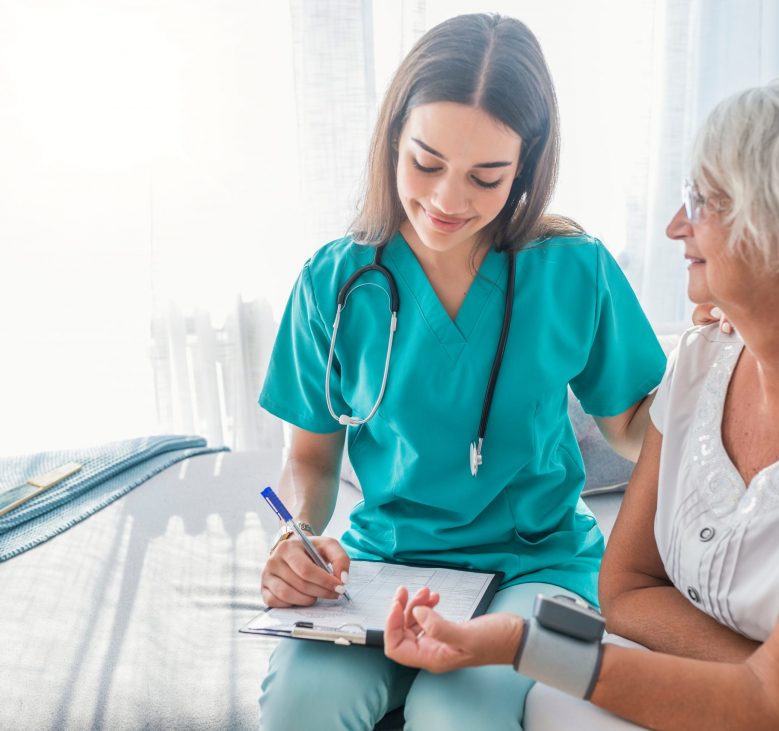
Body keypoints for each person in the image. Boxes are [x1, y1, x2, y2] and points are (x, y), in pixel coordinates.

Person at [383, 78, 779, 731]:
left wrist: (522, 644)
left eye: (705, 202)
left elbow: (772, 706)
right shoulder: (706, 359)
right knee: (548, 703)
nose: (677, 225)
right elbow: (628, 590)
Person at [256, 13, 666, 730]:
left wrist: (734, 372)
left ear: (528, 168)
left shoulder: (574, 269)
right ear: (391, 141)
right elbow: (310, 458)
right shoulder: (334, 280)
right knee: (301, 702)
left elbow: (637, 426)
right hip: (383, 564)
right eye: (426, 162)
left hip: (542, 570)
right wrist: (296, 535)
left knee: (458, 712)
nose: (447, 200)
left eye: (486, 177)